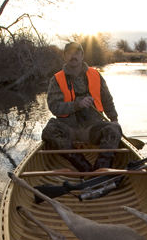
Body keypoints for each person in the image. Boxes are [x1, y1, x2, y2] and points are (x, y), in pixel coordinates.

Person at [42, 42, 122, 172]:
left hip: (91, 128)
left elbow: (107, 99)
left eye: (77, 53)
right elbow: (54, 107)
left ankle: (100, 171)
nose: (73, 56)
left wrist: (114, 119)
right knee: (49, 131)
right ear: (65, 56)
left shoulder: (96, 75)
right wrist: (77, 105)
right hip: (68, 128)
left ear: (82, 56)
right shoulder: (56, 79)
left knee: (114, 129)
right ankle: (84, 168)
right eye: (69, 53)